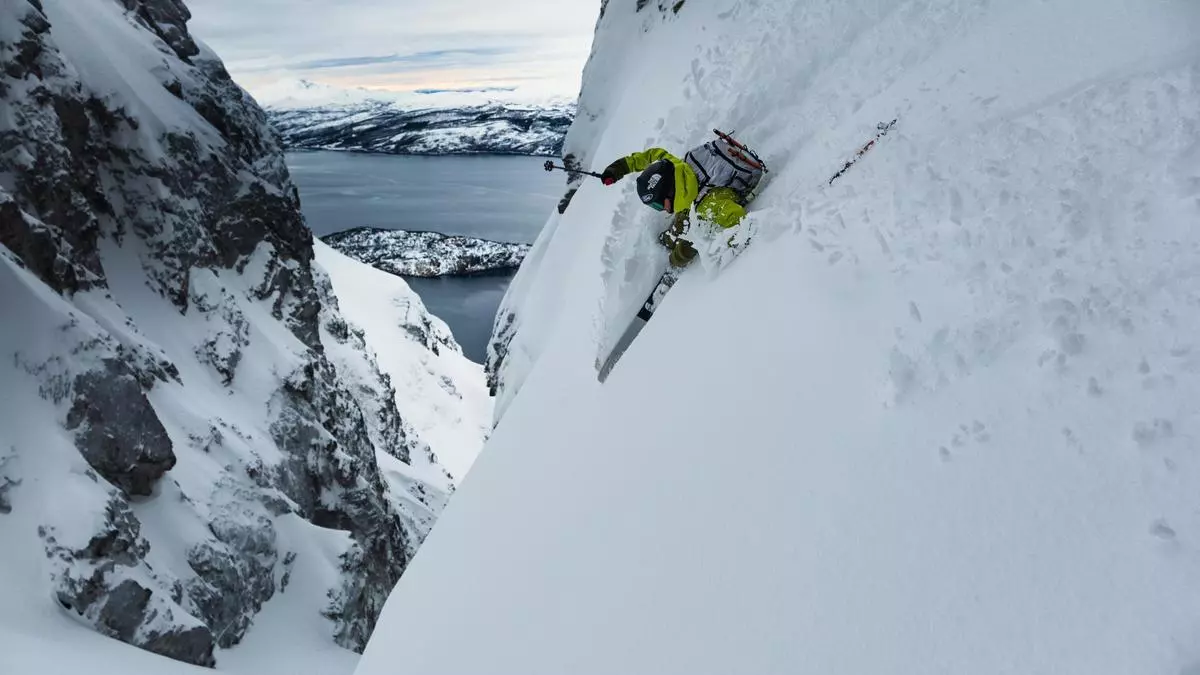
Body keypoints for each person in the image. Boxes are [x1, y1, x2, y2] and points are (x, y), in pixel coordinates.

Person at [598, 138, 762, 267]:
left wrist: (727, 247)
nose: (661, 209)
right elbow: (649, 156)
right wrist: (617, 169)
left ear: (669, 192)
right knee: (682, 216)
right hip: (696, 191)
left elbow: (739, 220)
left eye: (659, 204)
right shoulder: (674, 165)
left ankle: (675, 262)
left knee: (688, 243)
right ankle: (671, 238)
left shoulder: (709, 205)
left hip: (713, 195)